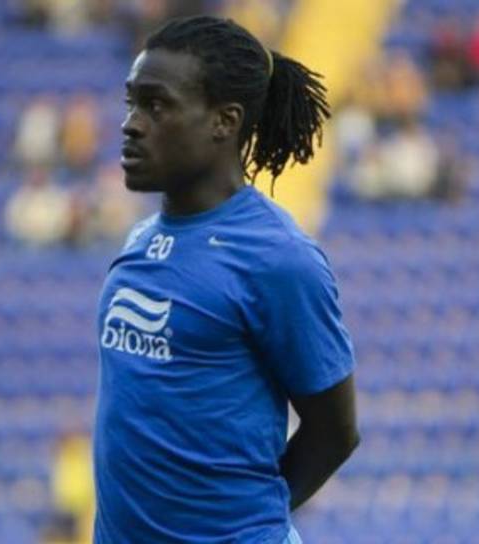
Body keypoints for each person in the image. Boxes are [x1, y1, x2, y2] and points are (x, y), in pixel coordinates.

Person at [93, 15, 359, 544]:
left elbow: (335, 432)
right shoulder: (140, 239)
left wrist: (243, 523)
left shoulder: (277, 257)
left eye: (156, 105)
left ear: (224, 121)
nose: (131, 124)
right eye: (131, 103)